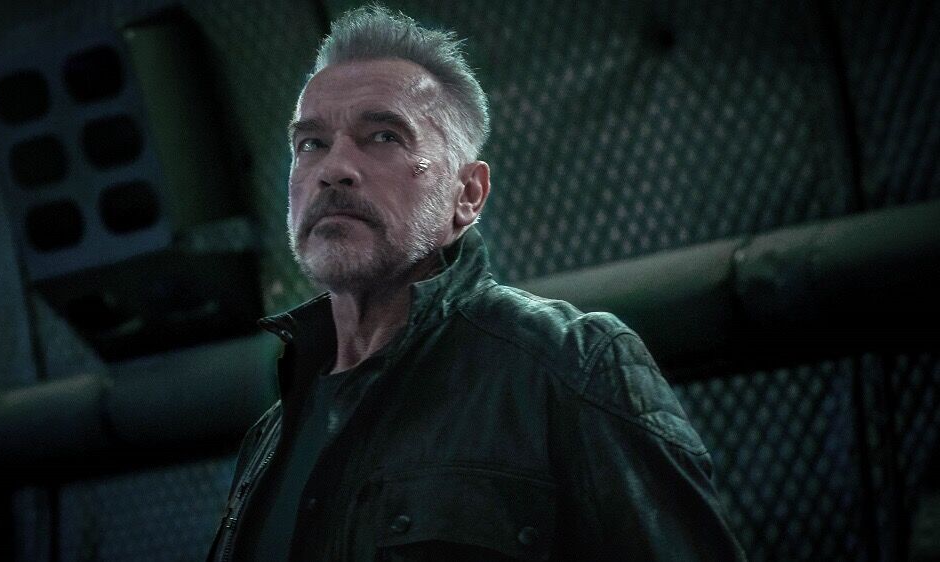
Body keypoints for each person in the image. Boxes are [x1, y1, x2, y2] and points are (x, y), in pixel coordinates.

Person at [209, 5, 744, 561]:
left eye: (384, 136)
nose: (333, 168)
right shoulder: (270, 438)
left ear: (468, 194)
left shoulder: (571, 365)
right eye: (311, 144)